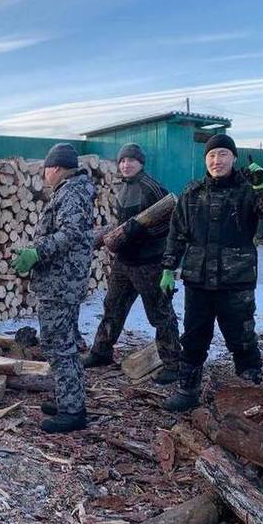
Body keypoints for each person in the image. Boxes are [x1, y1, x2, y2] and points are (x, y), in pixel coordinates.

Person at [160, 134, 263, 412]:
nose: (216, 160)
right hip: (198, 281)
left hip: (236, 281)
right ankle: (188, 390)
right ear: (205, 160)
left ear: (233, 158)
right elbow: (177, 233)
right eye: (211, 155)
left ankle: (251, 391)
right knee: (194, 337)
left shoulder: (249, 190)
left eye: (222, 154)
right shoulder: (192, 193)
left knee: (242, 338)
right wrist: (168, 268)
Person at [11, 143, 96, 433]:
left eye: (46, 168)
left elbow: (69, 233)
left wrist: (37, 252)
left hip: (60, 283)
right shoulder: (75, 189)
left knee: (58, 346)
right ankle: (68, 399)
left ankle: (72, 411)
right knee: (66, 342)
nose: (45, 174)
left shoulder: (71, 192)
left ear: (56, 168)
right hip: (65, 281)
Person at [83, 143, 181, 384]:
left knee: (160, 314)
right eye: (122, 161)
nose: (126, 165)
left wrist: (141, 233)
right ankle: (101, 351)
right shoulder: (122, 188)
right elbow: (123, 223)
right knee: (112, 307)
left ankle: (173, 363)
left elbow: (171, 223)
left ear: (141, 163)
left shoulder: (152, 188)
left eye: (131, 161)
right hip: (124, 262)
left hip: (149, 264)